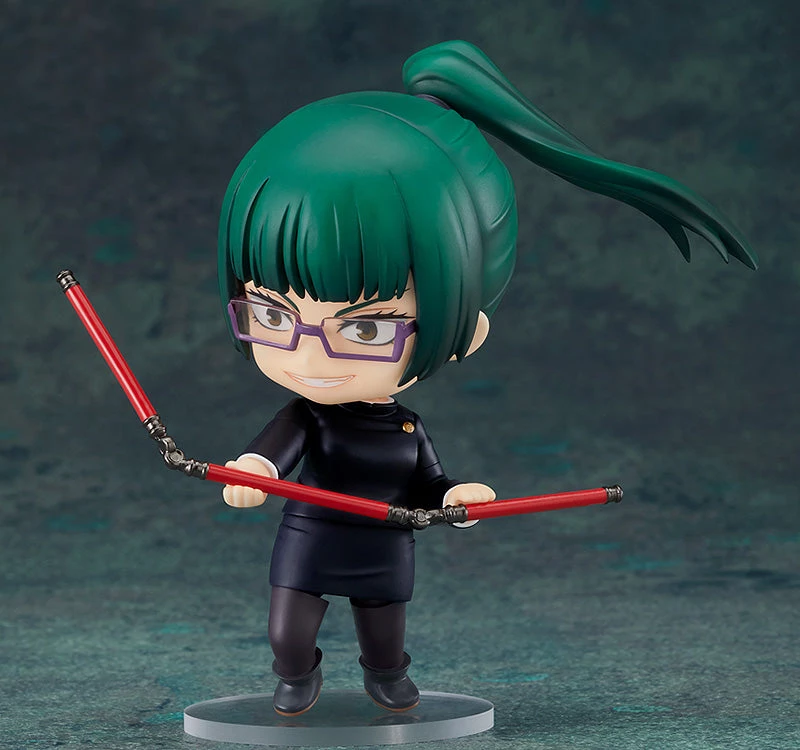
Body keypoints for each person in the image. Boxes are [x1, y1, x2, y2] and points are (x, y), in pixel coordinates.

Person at [216, 40, 756, 717]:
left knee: (384, 633)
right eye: (272, 314)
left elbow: (431, 482)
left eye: (366, 329)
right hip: (310, 538)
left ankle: (387, 676)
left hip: (386, 544)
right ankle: (296, 676)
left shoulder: (407, 428)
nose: (308, 356)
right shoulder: (308, 417)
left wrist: (456, 496)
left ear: (463, 333)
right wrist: (253, 471)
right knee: (288, 633)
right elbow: (272, 453)